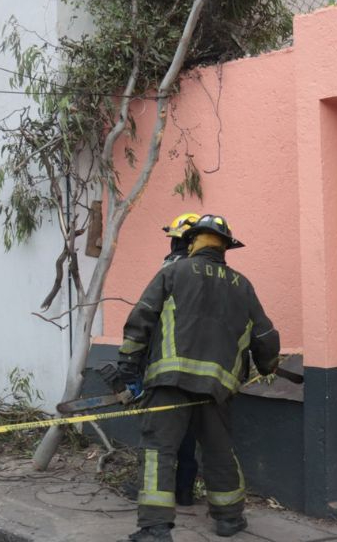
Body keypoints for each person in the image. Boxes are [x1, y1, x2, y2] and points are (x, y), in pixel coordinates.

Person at [117, 215, 279, 541]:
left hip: (169, 381)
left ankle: (155, 529)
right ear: (225, 247)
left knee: (158, 450)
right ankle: (230, 520)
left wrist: (128, 367)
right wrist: (268, 366)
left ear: (193, 241)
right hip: (217, 388)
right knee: (218, 449)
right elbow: (265, 336)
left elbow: (141, 320)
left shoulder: (173, 273)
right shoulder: (242, 285)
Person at [159, 213, 201, 506]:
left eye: (176, 239)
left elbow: (148, 321)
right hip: (208, 373)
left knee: (162, 438)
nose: (172, 245)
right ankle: (185, 491)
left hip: (170, 369)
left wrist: (132, 367)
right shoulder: (218, 275)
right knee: (195, 436)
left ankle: (161, 496)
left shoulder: (171, 273)